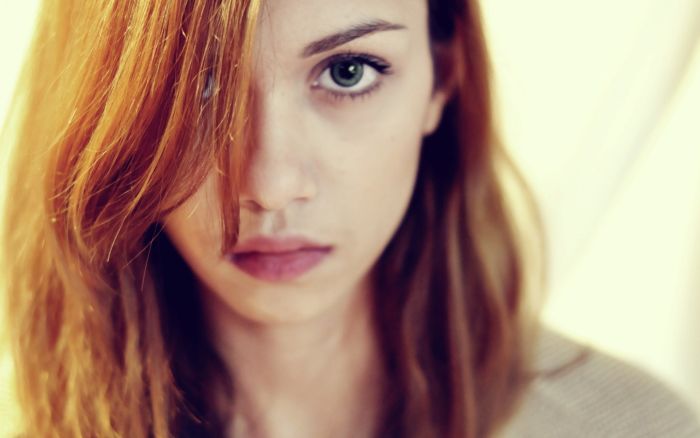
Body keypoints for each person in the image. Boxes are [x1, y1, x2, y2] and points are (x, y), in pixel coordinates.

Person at [1, 0, 698, 437]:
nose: (269, 185)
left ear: (443, 74)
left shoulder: (632, 426)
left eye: (347, 72)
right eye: (197, 88)